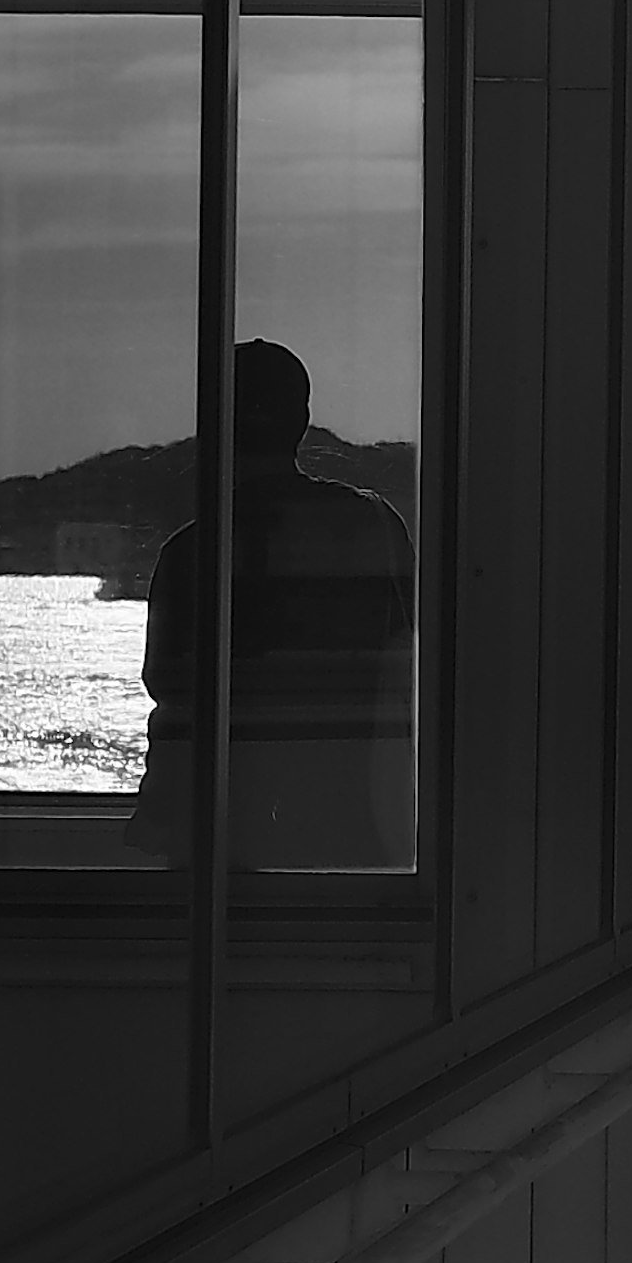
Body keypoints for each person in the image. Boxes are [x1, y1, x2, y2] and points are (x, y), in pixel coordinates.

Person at [135, 337, 417, 866]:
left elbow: (167, 682)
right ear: (302, 421)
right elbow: (406, 659)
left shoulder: (194, 550)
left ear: (215, 422)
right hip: (355, 817)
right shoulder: (374, 527)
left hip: (220, 824)